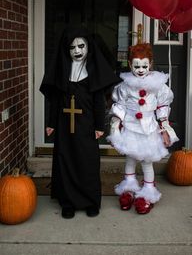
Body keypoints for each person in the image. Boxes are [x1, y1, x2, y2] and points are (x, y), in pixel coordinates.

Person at [40, 26, 120, 219]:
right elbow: (56, 100)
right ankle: (68, 202)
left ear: (88, 47)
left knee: (88, 162)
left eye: (81, 46)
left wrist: (100, 126)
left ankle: (91, 201)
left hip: (87, 126)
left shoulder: (93, 73)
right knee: (65, 160)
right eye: (72, 47)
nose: (77, 51)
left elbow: (99, 102)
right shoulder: (62, 72)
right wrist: (51, 123)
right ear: (66, 50)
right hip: (64, 126)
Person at [107, 43, 179, 214]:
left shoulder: (157, 85)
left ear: (150, 64)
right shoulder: (125, 86)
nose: (140, 70)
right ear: (130, 65)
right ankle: (129, 190)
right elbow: (120, 106)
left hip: (148, 128)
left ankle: (147, 194)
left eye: (144, 66)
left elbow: (163, 103)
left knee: (147, 162)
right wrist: (115, 125)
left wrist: (164, 124)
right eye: (137, 66)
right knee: (130, 160)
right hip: (131, 128)